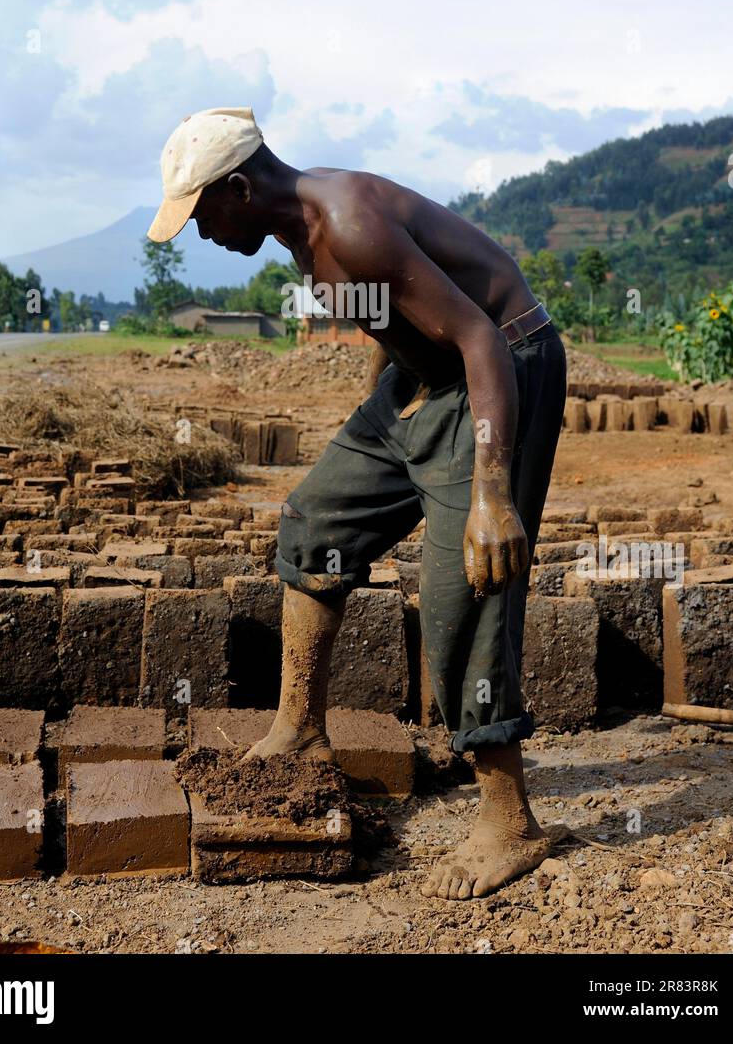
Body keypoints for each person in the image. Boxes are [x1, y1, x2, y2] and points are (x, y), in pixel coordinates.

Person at [148, 107, 567, 899]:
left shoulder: (348, 222)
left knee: (465, 586)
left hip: (501, 370)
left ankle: (510, 823)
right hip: (423, 383)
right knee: (315, 521)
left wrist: (489, 491)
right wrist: (383, 415)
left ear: (238, 187)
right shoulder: (300, 236)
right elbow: (398, 319)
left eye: (201, 214)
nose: (201, 234)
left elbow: (479, 338)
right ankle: (299, 729)